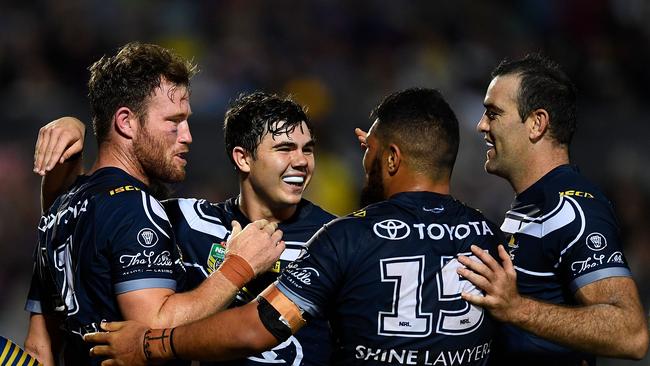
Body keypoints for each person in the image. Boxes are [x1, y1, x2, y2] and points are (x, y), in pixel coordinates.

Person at [85, 88, 505, 366]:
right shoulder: (183, 221)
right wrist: (71, 151)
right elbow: (90, 220)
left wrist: (151, 345)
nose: (302, 162)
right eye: (285, 148)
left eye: (308, 149)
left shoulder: (338, 236)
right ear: (243, 158)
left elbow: (260, 327)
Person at [23, 42, 284, 366]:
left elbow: (38, 349)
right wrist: (238, 266)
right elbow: (154, 328)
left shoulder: (59, 209)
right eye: (174, 121)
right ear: (126, 122)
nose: (187, 136)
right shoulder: (135, 207)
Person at [456, 54, 649, 364]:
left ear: (536, 123)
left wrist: (518, 308)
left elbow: (631, 334)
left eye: (493, 114)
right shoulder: (533, 203)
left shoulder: (573, 208)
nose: (481, 126)